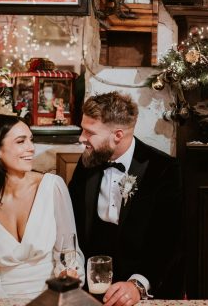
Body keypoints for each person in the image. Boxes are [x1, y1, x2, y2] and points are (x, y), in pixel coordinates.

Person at [0, 114, 85, 302]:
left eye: (31, 140)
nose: (31, 148)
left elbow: (68, 251)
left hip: (52, 295)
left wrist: (68, 274)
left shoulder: (52, 187)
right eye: (21, 141)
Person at [69, 91, 184, 305]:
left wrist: (138, 285)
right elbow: (71, 222)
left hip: (140, 288)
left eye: (89, 132)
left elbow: (169, 240)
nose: (81, 138)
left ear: (118, 135)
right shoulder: (87, 162)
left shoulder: (164, 170)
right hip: (89, 287)